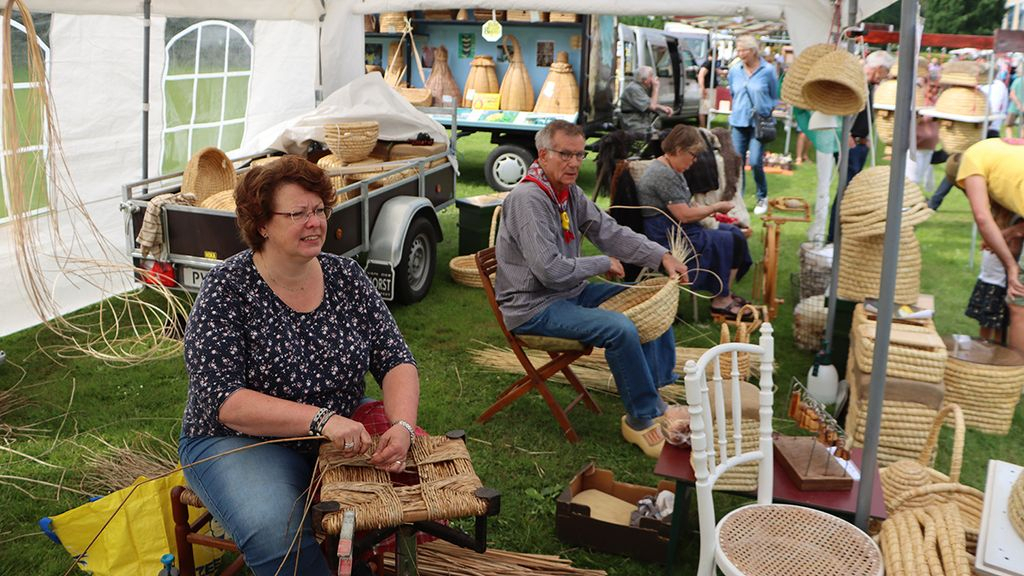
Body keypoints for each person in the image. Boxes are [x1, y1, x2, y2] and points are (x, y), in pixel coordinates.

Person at [179, 156, 420, 575]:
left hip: (337, 433)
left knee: (413, 493)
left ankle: (360, 561)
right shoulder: (226, 289)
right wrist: (322, 420)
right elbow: (226, 402)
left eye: (319, 210)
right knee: (276, 529)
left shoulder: (346, 276)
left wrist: (403, 427)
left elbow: (396, 359)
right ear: (262, 224)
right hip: (238, 440)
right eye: (298, 213)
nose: (315, 222)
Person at [495, 119, 689, 459]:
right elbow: (549, 269)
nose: (574, 163)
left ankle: (654, 398)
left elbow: (610, 232)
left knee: (651, 298)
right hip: (533, 307)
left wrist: (662, 257)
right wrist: (600, 263)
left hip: (568, 292)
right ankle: (642, 418)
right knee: (619, 328)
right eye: (565, 154)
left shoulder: (567, 193)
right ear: (543, 154)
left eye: (580, 155)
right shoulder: (528, 199)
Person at [636, 124, 753, 319]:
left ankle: (724, 294)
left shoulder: (671, 169)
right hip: (668, 235)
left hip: (677, 227)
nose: (695, 160)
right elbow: (684, 215)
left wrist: (712, 216)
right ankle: (721, 301)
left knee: (735, 234)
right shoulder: (662, 174)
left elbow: (686, 210)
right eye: (693, 154)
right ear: (679, 150)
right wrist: (714, 208)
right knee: (726, 240)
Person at [955, 137, 1024, 353]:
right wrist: (1011, 231)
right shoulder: (1000, 151)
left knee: (1019, 305)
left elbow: (982, 217)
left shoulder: (972, 159)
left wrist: (1012, 267)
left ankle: (1014, 378)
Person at [728, 35, 778, 216]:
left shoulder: (768, 70)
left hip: (759, 123)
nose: (740, 54)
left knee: (756, 161)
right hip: (739, 121)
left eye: (743, 50)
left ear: (753, 51)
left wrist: (765, 109)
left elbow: (774, 96)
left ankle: (761, 196)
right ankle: (737, 199)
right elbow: (733, 92)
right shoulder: (735, 70)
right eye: (738, 50)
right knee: (736, 163)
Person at [845, 50, 894, 185]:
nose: (886, 75)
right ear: (879, 69)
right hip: (850, 142)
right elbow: (843, 108)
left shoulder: (868, 85)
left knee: (853, 184)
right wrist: (847, 134)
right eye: (886, 71)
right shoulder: (857, 82)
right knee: (849, 184)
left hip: (859, 142)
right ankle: (841, 207)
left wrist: (864, 138)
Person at [619, 65, 673, 133]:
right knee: (657, 137)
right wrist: (656, 88)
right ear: (645, 80)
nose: (654, 78)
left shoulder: (642, 88)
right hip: (635, 124)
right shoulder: (633, 89)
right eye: (651, 76)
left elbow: (649, 103)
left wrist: (663, 108)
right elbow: (652, 106)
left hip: (643, 123)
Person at [697, 57, 715, 128]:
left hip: (708, 88)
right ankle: (703, 126)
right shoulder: (708, 63)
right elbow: (701, 75)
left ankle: (704, 126)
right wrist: (702, 88)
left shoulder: (709, 63)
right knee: (704, 110)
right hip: (707, 89)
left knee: (707, 109)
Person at [1006, 67, 1022, 138]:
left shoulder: (1017, 80)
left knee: (1008, 125)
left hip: (1014, 107)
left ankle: (1009, 140)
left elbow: (1012, 94)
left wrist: (1018, 104)